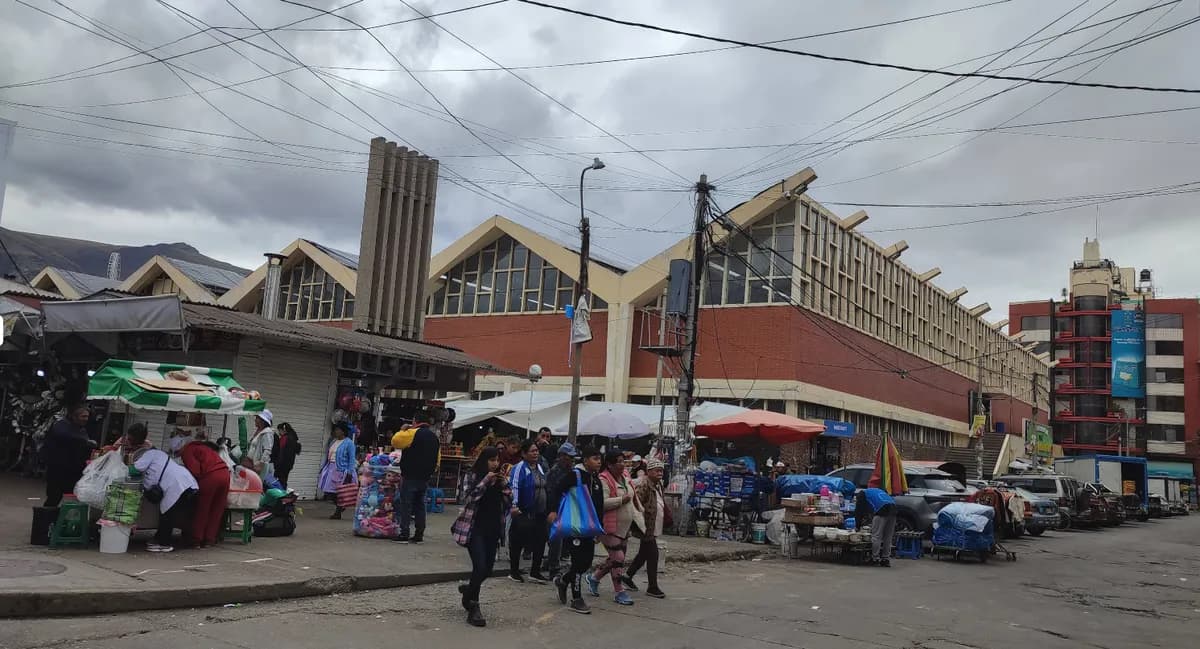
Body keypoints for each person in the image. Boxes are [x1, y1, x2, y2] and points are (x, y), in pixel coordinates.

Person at [450, 446, 511, 628]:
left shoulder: (499, 480)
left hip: (493, 529)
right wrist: (485, 481)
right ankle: (473, 607)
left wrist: (504, 486)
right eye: (491, 460)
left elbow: (509, 501)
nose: (495, 464)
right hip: (474, 528)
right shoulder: (473, 475)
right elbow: (467, 498)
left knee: (487, 569)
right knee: (480, 566)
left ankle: (468, 591)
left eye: (497, 460)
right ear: (484, 460)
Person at [548, 446, 604, 615]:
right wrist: (552, 511)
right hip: (575, 525)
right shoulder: (575, 475)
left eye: (600, 459)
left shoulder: (596, 479)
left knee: (586, 562)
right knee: (579, 562)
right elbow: (556, 490)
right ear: (585, 460)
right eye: (595, 458)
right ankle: (577, 598)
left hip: (589, 527)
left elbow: (599, 505)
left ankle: (563, 581)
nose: (598, 462)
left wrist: (599, 528)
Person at [129, 425, 198, 552]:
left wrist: (122, 467)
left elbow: (134, 469)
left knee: (167, 515)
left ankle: (164, 543)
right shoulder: (159, 454)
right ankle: (160, 539)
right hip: (188, 483)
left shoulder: (149, 454)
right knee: (169, 514)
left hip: (177, 486)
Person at [587, 450, 638, 606]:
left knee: (615, 558)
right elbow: (602, 502)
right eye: (619, 462)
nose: (622, 464)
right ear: (609, 464)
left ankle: (594, 578)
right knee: (618, 558)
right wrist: (621, 500)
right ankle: (619, 591)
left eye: (623, 461)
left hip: (625, 526)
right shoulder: (602, 480)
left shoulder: (626, 478)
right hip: (609, 525)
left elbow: (634, 496)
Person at [507, 440, 550, 584]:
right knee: (518, 541)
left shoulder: (540, 467)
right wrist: (514, 505)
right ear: (524, 454)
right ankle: (514, 571)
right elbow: (515, 487)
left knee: (540, 540)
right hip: (524, 511)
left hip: (540, 512)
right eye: (532, 451)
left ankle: (535, 572)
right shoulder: (519, 468)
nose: (535, 453)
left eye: (537, 450)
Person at [623, 458, 666, 598]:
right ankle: (652, 587)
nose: (660, 473)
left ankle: (627, 576)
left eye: (661, 470)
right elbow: (636, 504)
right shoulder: (645, 485)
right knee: (653, 555)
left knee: (643, 554)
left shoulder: (658, 484)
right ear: (649, 472)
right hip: (646, 526)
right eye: (657, 470)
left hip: (653, 526)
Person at [396, 409, 439, 543]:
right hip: (425, 476)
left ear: (415, 421)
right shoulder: (434, 437)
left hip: (410, 475)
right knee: (420, 505)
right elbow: (438, 458)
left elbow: (395, 441)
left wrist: (402, 430)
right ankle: (419, 534)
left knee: (406, 505)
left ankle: (404, 533)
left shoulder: (411, 433)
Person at [180, 436, 231, 548]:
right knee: (217, 509)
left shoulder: (188, 450)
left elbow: (195, 470)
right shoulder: (203, 448)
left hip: (210, 477)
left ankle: (196, 539)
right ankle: (209, 539)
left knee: (203, 509)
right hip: (225, 474)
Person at [42, 405, 94, 507]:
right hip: (57, 469)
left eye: (87, 417)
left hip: (74, 470)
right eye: (83, 416)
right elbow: (64, 435)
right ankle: (46, 521)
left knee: (72, 498)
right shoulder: (61, 425)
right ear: (74, 416)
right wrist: (85, 441)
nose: (85, 419)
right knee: (54, 497)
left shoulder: (82, 429)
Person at [541, 442, 577, 578]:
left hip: (567, 508)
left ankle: (550, 562)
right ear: (561, 456)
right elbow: (551, 494)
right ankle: (554, 568)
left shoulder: (571, 472)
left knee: (562, 539)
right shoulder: (554, 473)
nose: (572, 460)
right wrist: (552, 511)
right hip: (554, 509)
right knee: (556, 539)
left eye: (573, 458)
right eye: (569, 457)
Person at [318, 422, 358, 520]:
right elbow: (329, 455)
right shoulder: (333, 441)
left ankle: (338, 511)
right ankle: (340, 507)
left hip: (341, 470)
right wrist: (323, 467)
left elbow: (352, 459)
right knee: (328, 491)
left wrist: (349, 472)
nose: (336, 431)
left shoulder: (349, 443)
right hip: (331, 468)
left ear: (343, 431)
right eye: (335, 430)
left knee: (340, 492)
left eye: (338, 430)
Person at [856, 487, 897, 567]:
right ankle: (885, 559)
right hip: (894, 510)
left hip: (882, 510)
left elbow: (859, 512)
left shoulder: (862, 495)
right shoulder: (876, 491)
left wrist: (857, 526)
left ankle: (875, 558)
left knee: (876, 536)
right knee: (888, 537)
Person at [246, 410, 277, 481]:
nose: (255, 420)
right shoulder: (259, 431)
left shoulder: (267, 432)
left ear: (262, 421)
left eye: (257, 418)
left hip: (260, 465)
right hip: (253, 464)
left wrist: (260, 464)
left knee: (257, 486)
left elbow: (267, 450)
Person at [273, 422, 302, 489]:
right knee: (284, 480)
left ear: (284, 430)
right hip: (288, 464)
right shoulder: (293, 438)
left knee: (279, 481)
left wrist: (277, 464)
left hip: (282, 464)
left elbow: (281, 451)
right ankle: (283, 495)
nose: (279, 432)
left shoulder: (285, 438)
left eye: (279, 430)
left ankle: (280, 496)